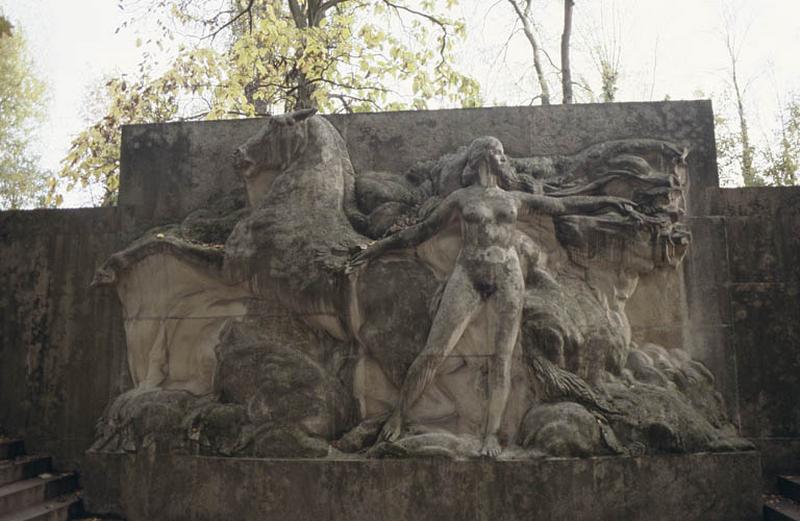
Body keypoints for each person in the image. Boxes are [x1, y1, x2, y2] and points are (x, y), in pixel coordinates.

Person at [351, 136, 636, 456]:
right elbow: (421, 231)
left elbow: (562, 205)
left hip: (507, 277)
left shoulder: (514, 198)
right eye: (499, 154)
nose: (504, 159)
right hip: (469, 274)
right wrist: (378, 248)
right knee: (435, 350)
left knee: (502, 359)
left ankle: (491, 435)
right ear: (484, 158)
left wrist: (607, 202)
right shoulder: (461, 198)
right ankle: (399, 414)